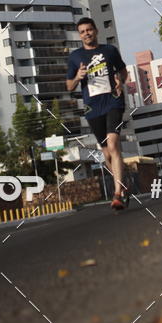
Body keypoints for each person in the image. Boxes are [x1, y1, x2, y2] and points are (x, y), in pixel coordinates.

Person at [66, 17, 129, 210]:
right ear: (80, 35)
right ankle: (123, 185)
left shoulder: (109, 51)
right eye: (83, 31)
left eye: (89, 30)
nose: (87, 33)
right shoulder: (75, 57)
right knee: (106, 153)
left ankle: (117, 193)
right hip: (92, 107)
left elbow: (123, 71)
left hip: (113, 101)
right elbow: (69, 86)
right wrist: (78, 76)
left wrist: (121, 81)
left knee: (113, 144)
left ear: (96, 31)